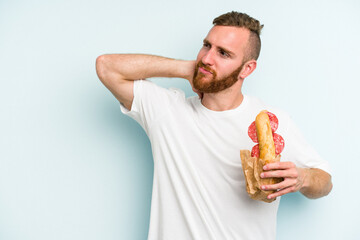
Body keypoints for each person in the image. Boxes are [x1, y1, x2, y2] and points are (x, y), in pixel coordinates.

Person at [96, 11, 332, 240]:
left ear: (247, 69)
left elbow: (325, 181)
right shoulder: (167, 111)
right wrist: (188, 69)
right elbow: (106, 66)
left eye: (224, 53)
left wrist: (304, 178)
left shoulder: (270, 122)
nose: (207, 58)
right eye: (206, 46)